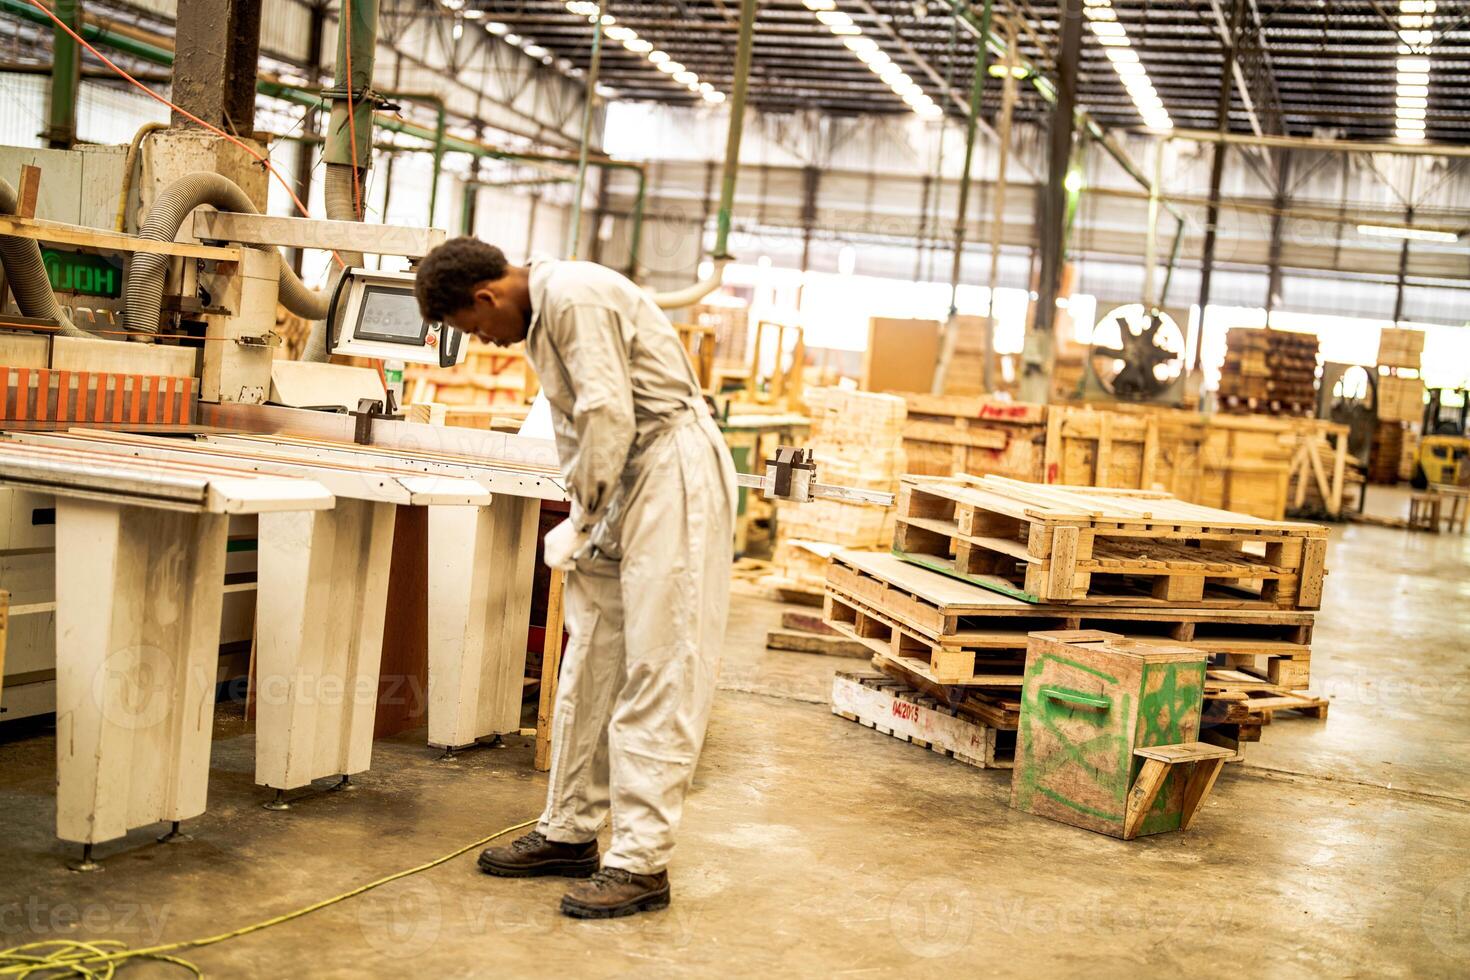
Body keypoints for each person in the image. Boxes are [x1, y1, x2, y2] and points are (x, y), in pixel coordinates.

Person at [414, 238, 737, 919]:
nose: (488, 344)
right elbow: (595, 425)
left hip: (668, 475)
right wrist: (594, 509)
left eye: (478, 331)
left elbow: (608, 414)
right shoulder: (541, 315)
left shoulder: (576, 295)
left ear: (486, 297)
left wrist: (585, 515)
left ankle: (641, 863)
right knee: (589, 659)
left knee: (659, 665)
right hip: (622, 478)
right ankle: (569, 829)